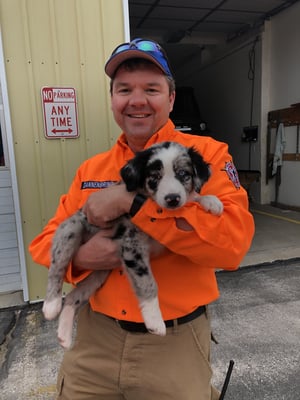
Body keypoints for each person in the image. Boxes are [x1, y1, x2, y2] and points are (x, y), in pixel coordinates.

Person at [29, 38, 254, 400]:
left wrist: (129, 200)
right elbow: (45, 241)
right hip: (92, 343)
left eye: (151, 88)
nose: (136, 100)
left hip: (173, 344)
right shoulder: (91, 169)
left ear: (171, 98)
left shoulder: (207, 154)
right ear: (113, 99)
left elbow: (233, 244)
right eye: (124, 89)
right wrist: (82, 258)